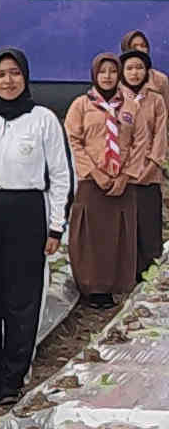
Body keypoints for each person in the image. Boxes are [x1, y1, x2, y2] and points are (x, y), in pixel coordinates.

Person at [0, 50, 71, 404]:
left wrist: (56, 228)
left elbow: (61, 175)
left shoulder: (44, 120)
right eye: (1, 75)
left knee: (23, 301)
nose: (8, 81)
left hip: (27, 214)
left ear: (25, 77)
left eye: (15, 73)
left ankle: (14, 377)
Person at [66, 53, 142, 310]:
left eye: (112, 71)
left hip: (121, 182)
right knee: (91, 235)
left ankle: (112, 285)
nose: (108, 76)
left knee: (116, 234)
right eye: (103, 72)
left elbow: (139, 144)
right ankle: (91, 286)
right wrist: (95, 173)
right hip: (92, 181)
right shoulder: (81, 105)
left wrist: (126, 176)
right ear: (94, 75)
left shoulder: (131, 107)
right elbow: (73, 141)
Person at [120, 49, 166, 279]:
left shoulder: (155, 99)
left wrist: (153, 163)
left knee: (149, 221)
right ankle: (127, 272)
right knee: (126, 224)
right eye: (129, 68)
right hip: (123, 173)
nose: (134, 73)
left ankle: (148, 272)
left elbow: (160, 134)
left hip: (149, 171)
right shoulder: (116, 98)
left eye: (139, 68)